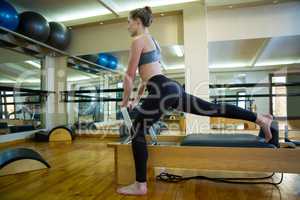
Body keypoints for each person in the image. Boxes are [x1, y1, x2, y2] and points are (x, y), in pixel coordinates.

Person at [118, 6, 273, 196]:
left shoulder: (137, 41)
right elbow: (147, 77)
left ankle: (140, 185)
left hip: (162, 89)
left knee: (137, 131)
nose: (127, 26)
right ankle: (259, 118)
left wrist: (125, 101)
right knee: (213, 109)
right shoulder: (153, 41)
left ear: (137, 22)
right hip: (170, 87)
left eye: (128, 22)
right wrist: (136, 98)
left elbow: (129, 76)